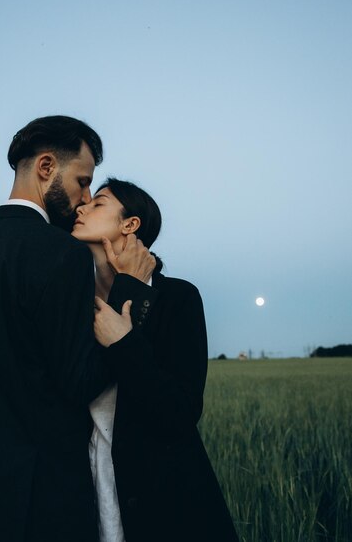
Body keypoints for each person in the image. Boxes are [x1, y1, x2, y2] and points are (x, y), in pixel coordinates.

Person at [0, 116, 157, 542]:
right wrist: (129, 303)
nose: (84, 198)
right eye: (83, 181)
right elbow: (79, 382)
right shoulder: (60, 254)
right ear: (46, 167)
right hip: (38, 507)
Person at [72, 178, 240, 542]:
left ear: (129, 225)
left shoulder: (177, 299)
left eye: (98, 203)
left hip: (167, 502)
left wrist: (124, 343)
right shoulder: (74, 305)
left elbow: (179, 413)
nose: (81, 208)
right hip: (90, 491)